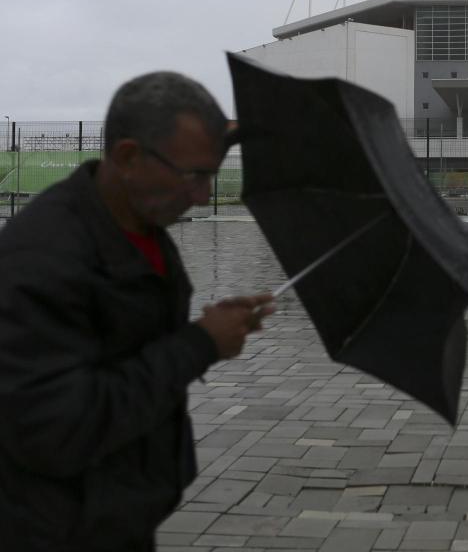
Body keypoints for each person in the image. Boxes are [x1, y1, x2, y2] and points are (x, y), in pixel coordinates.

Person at [0, 72, 274, 551]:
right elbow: (59, 428)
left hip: (114, 513)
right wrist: (201, 343)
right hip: (54, 528)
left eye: (210, 174)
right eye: (195, 175)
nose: (203, 195)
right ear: (128, 157)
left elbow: (124, 346)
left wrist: (215, 327)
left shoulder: (139, 224)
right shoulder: (42, 260)